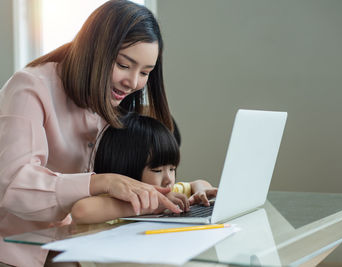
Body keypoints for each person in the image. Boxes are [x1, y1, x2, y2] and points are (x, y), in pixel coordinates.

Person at [0, 1, 181, 266]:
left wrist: (188, 191)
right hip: (16, 251)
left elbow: (138, 175)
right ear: (95, 51)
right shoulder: (31, 87)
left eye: (145, 72)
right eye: (123, 64)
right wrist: (100, 182)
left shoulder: (120, 101)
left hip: (79, 246)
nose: (132, 82)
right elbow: (14, 185)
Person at [71, 113, 218, 224]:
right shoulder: (113, 202)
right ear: (126, 170)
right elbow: (81, 211)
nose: (168, 179)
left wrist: (200, 191)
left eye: (172, 169)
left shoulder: (168, 193)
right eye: (157, 170)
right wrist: (153, 206)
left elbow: (199, 183)